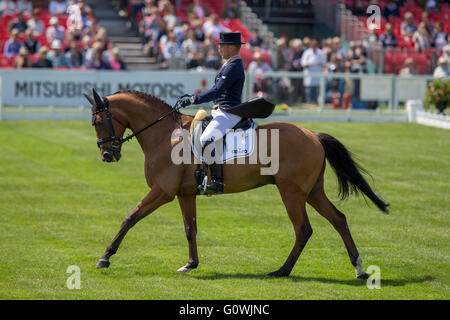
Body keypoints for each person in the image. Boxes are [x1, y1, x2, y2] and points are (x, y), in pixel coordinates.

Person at [178, 32, 246, 194]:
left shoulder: (233, 66)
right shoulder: (229, 64)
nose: (219, 48)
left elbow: (217, 91)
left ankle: (217, 181)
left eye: (222, 45)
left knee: (206, 138)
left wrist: (194, 99)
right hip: (221, 111)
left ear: (231, 47)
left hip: (229, 112)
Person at [301, 38, 326, 104]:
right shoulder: (307, 52)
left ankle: (315, 102)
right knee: (308, 90)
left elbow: (324, 62)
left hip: (317, 75)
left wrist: (320, 63)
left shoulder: (320, 52)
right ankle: (309, 102)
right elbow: (303, 62)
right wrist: (308, 63)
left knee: (316, 90)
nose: (314, 46)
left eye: (315, 45)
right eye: (312, 45)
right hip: (309, 75)